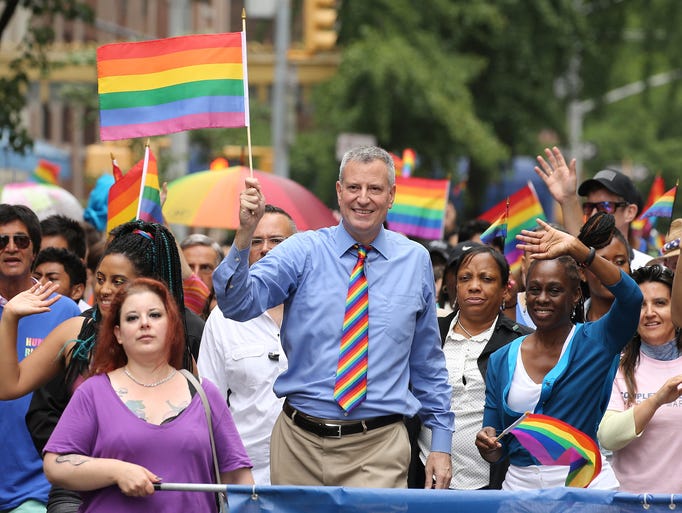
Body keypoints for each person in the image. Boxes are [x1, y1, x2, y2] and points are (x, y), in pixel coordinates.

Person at [213, 146, 453, 489]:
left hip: (379, 448)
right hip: (299, 446)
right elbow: (237, 304)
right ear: (339, 192)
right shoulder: (302, 250)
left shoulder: (415, 261)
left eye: (375, 189)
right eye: (354, 188)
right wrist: (244, 234)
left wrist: (440, 446)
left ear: (392, 196)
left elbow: (428, 363)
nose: (363, 199)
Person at [0, 221, 202, 513]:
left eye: (118, 281)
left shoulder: (176, 345)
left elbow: (198, 427)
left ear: (147, 286)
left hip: (153, 484)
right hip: (78, 489)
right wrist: (10, 319)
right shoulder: (74, 333)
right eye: (101, 278)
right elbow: (9, 386)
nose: (105, 290)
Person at [42, 278, 253, 512]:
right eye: (132, 317)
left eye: (154, 315)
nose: (144, 323)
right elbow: (55, 465)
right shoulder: (93, 392)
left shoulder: (204, 393)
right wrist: (116, 471)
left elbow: (238, 479)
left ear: (172, 326)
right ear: (118, 334)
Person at [475, 212, 643, 490]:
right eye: (534, 290)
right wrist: (489, 443)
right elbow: (496, 445)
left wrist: (581, 252)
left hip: (584, 485)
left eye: (554, 290)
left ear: (576, 294)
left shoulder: (597, 341)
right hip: (520, 491)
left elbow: (632, 297)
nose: (542, 298)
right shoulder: (501, 358)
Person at [415, 245, 532, 490]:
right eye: (465, 278)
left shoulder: (522, 342)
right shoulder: (429, 331)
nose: (474, 286)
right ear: (454, 287)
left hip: (491, 484)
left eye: (486, 279)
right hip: (425, 476)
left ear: (504, 289)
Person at [198, 205, 295, 485]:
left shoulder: (319, 310)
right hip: (246, 476)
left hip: (311, 471)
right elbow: (210, 405)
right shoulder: (223, 319)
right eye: (256, 241)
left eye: (277, 240)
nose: (266, 249)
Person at [0, 204, 81, 513]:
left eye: (21, 240)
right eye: (1, 241)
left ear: (34, 251)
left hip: (38, 485)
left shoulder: (64, 311)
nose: (10, 248)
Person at [597, 264, 682, 493]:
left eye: (660, 303)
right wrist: (656, 401)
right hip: (630, 504)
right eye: (641, 305)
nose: (649, 312)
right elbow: (607, 437)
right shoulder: (617, 366)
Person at [534, 147, 650, 269]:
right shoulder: (580, 266)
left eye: (605, 206)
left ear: (630, 212)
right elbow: (579, 246)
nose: (594, 213)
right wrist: (567, 198)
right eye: (589, 207)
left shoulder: (647, 267)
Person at [583, 228, 632, 322]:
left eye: (619, 262)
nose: (611, 270)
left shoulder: (644, 321)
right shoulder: (569, 325)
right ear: (582, 273)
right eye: (601, 263)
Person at [33, 247, 89, 312]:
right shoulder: (22, 314)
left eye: (52, 279)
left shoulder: (89, 321)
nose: (40, 283)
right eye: (36, 278)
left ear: (77, 291)